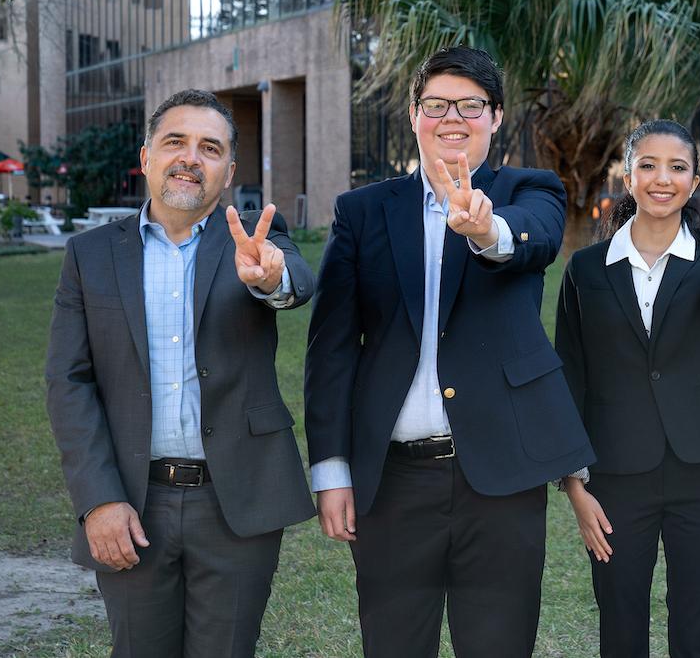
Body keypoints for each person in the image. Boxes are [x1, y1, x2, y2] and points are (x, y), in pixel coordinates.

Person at [304, 46, 594, 658]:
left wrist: (486, 231)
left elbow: (534, 239)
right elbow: (331, 349)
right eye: (436, 105)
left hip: (502, 479)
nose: (452, 118)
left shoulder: (530, 189)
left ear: (496, 117)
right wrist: (331, 470)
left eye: (470, 105)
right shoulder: (362, 212)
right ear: (414, 115)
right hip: (393, 482)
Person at [44, 89, 316, 657]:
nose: (191, 157)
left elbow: (292, 281)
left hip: (236, 501)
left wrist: (269, 277)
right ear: (146, 157)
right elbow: (69, 384)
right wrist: (98, 500)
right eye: (176, 142)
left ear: (229, 170)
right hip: (131, 504)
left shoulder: (255, 240)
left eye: (210, 147)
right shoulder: (89, 255)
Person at [555, 119, 700, 658]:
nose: (661, 178)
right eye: (647, 165)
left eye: (677, 168)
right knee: (620, 621)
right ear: (628, 177)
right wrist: (575, 486)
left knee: (697, 622)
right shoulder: (585, 269)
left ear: (694, 183)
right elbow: (569, 377)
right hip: (614, 474)